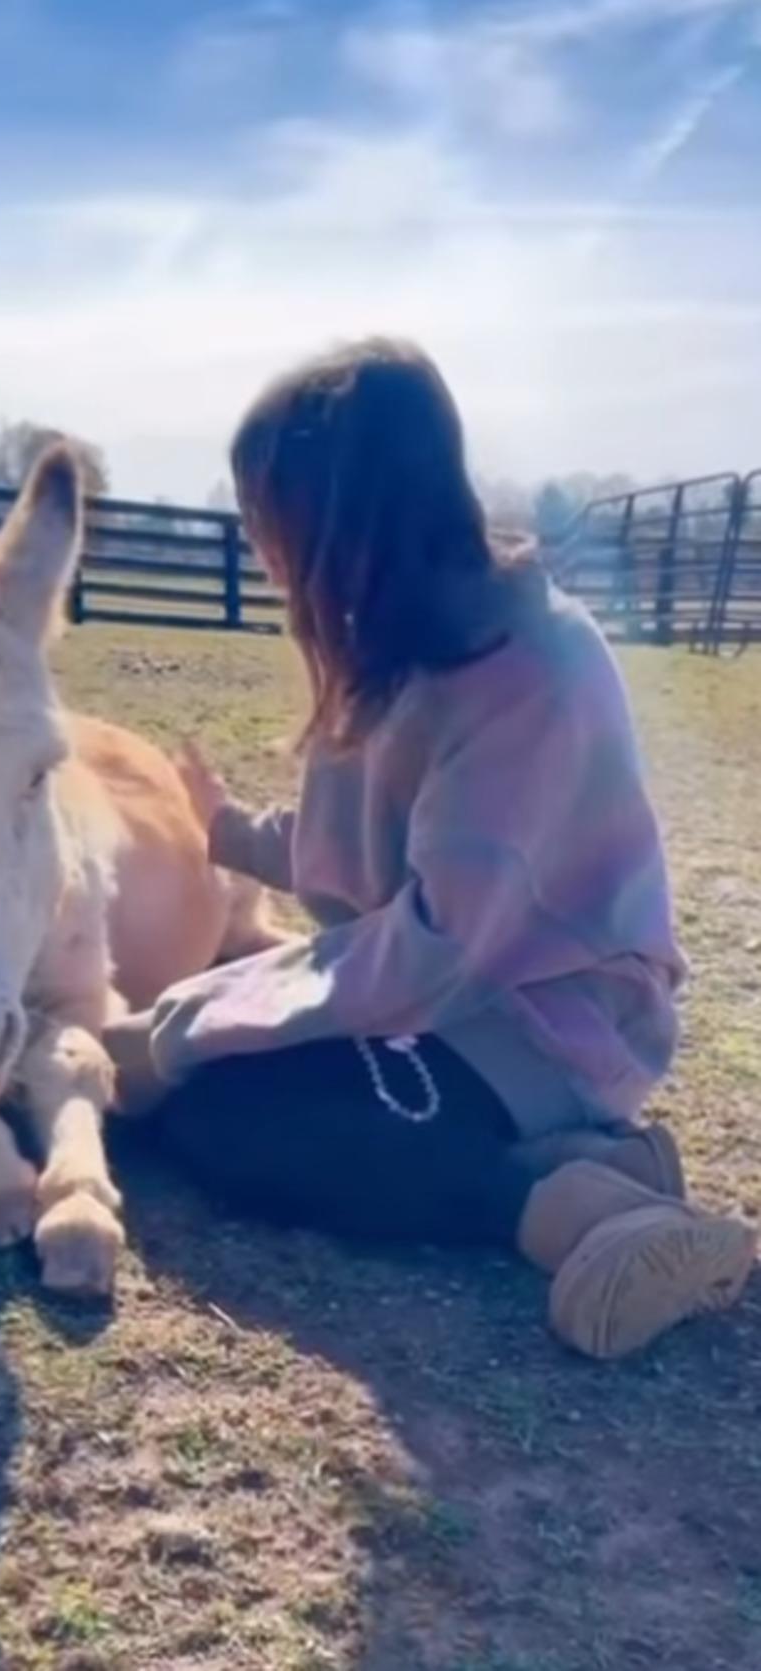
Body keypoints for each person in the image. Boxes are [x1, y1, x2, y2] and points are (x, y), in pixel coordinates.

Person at [103, 338, 755, 1360]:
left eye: (271, 526)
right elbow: (360, 862)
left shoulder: (528, 673)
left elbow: (432, 948)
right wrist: (230, 833)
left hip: (546, 1019)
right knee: (216, 1093)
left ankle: (561, 1210)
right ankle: (603, 1166)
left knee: (232, 1114)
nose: (266, 557)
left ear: (341, 522)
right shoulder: (396, 645)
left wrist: (181, 1025)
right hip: (449, 1003)